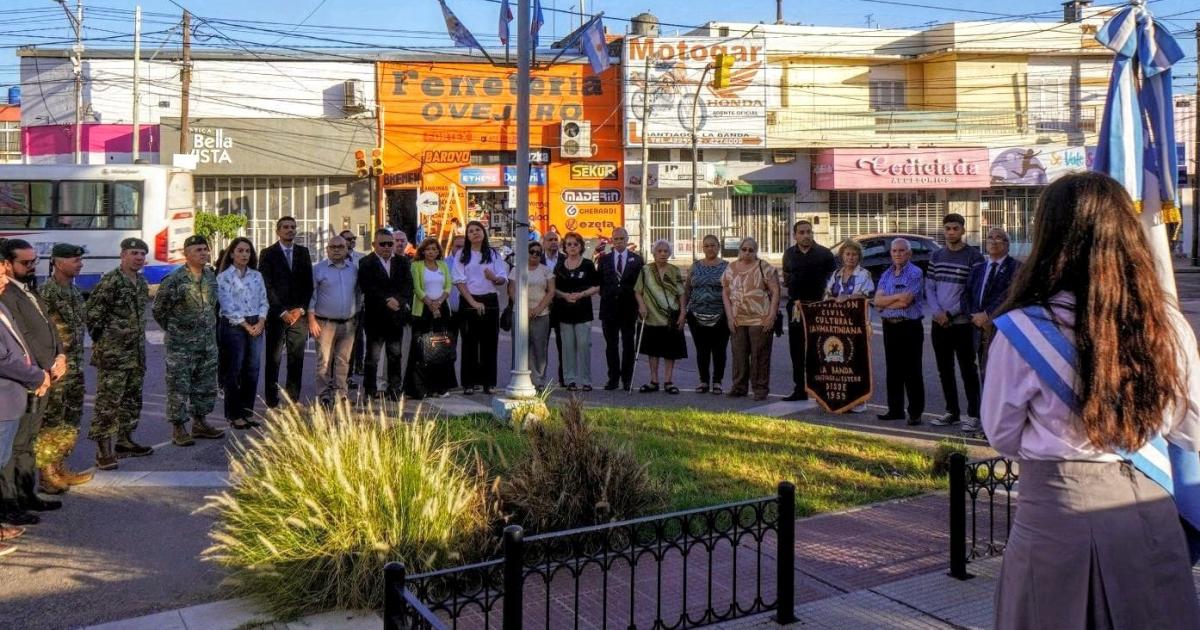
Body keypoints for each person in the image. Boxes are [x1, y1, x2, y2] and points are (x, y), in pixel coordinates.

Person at [982, 172, 1200, 629]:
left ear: (1049, 236)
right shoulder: (1169, 324)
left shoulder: (1022, 330)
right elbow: (1191, 429)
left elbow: (1002, 435)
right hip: (1149, 512)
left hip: (1056, 515)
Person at [0, 239, 65, 521]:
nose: (31, 267)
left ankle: (27, 495)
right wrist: (42, 370)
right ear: (8, 263)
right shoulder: (7, 295)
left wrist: (60, 355)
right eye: (25, 263)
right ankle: (10, 504)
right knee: (13, 446)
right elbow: (23, 337)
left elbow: (49, 327)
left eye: (34, 261)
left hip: (42, 376)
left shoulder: (27, 289)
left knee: (27, 441)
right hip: (28, 379)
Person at [0, 248, 51, 554]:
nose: (4, 276)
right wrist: (35, 376)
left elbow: (20, 345)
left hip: (13, 397)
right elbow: (3, 359)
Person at [153, 235, 225, 447]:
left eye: (205, 249)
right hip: (181, 345)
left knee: (205, 385)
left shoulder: (210, 277)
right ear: (186, 254)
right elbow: (158, 310)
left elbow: (214, 306)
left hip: (207, 344)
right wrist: (177, 330)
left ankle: (200, 422)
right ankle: (178, 427)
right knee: (179, 386)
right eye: (198, 250)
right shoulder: (174, 280)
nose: (203, 253)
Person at [86, 238, 152, 469]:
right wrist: (107, 341)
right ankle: (103, 450)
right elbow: (93, 316)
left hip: (136, 354)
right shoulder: (111, 282)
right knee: (108, 403)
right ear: (122, 255)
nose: (139, 258)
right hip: (114, 354)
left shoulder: (141, 283)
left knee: (132, 400)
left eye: (142, 254)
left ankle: (124, 441)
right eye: (134, 253)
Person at [36, 243, 93, 494]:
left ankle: (60, 466)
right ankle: (47, 474)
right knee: (52, 420)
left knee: (70, 420)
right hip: (56, 369)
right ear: (59, 263)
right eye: (74, 260)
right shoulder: (47, 293)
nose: (80, 264)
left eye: (80, 260)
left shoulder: (74, 291)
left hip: (75, 367)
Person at [925, 213, 985, 429]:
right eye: (948, 228)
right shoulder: (936, 256)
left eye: (955, 228)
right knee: (944, 369)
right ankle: (951, 412)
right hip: (939, 324)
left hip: (962, 325)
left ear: (963, 230)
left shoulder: (974, 257)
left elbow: (971, 292)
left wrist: (950, 313)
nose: (951, 232)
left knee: (967, 369)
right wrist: (937, 312)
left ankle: (974, 415)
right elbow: (929, 287)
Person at [259, 216, 314, 408]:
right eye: (285, 227)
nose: (289, 230)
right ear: (278, 230)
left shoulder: (303, 253)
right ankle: (271, 400)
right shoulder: (267, 253)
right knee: (273, 360)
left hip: (298, 316)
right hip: (276, 316)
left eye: (292, 227)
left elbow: (308, 284)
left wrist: (300, 309)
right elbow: (266, 285)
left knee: (296, 358)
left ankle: (293, 398)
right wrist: (281, 311)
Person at [781, 220, 836, 402]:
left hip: (818, 307)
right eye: (802, 232)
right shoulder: (789, 254)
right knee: (796, 349)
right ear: (795, 235)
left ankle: (818, 388)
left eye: (809, 232)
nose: (806, 235)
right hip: (796, 307)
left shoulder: (824, 254)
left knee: (818, 348)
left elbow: (832, 281)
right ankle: (799, 388)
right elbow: (787, 278)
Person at [962, 227, 1020, 399]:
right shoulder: (978, 268)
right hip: (979, 330)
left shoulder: (1016, 268)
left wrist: (988, 315)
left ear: (1007, 245)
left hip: (1002, 330)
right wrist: (975, 316)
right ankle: (987, 418)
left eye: (999, 238)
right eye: (990, 238)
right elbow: (966, 295)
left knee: (1004, 377)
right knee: (984, 374)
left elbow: (1010, 295)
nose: (994, 241)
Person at [216, 237, 267, 430]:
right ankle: (234, 414)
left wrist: (261, 320)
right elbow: (227, 305)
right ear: (231, 254)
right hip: (234, 325)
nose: (244, 254)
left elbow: (264, 299)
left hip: (256, 322)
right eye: (240, 251)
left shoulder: (256, 276)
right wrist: (246, 325)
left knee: (252, 369)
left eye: (247, 251)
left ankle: (247, 412)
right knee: (234, 370)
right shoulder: (224, 277)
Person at [721, 237, 780, 401]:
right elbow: (725, 292)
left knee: (759, 356)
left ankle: (760, 390)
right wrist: (729, 316)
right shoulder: (730, 268)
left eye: (751, 250)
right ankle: (739, 387)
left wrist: (772, 315)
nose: (747, 253)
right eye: (744, 249)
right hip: (737, 319)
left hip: (760, 319)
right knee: (739, 355)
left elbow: (775, 291)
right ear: (739, 250)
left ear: (756, 251)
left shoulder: (765, 267)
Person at [873, 238, 925, 425]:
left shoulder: (915, 273)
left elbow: (906, 301)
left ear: (909, 253)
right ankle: (895, 410)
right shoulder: (886, 274)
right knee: (893, 370)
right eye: (894, 251)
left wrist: (889, 300)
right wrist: (895, 298)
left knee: (912, 371)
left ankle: (915, 413)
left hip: (909, 326)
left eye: (901, 251)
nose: (897, 254)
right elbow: (877, 302)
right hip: (890, 326)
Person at [452, 220, 507, 395]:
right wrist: (473, 302)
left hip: (490, 300)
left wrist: (494, 278)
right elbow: (459, 281)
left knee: (489, 343)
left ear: (483, 232)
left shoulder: (493, 254)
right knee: (469, 342)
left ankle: (488, 382)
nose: (475, 233)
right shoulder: (462, 254)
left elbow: (502, 278)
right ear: (467, 236)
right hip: (469, 300)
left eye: (478, 230)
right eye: (471, 231)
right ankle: (469, 383)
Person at [358, 229, 413, 401]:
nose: (388, 247)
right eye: (383, 244)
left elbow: (408, 286)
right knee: (372, 357)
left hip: (396, 316)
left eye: (391, 243)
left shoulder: (403, 262)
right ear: (375, 244)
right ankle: (370, 390)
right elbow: (367, 286)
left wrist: (399, 301)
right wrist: (385, 300)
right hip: (375, 317)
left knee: (395, 355)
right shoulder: (366, 262)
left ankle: (394, 389)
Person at [824, 239, 876, 413]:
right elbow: (827, 295)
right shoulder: (835, 274)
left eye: (854, 254)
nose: (851, 257)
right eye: (848, 254)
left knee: (857, 362)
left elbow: (868, 295)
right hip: (837, 326)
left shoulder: (865, 275)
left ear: (859, 257)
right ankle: (841, 397)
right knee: (840, 361)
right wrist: (831, 299)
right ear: (842, 256)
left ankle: (858, 400)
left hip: (857, 326)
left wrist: (849, 298)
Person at [307, 235, 359, 406]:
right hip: (324, 323)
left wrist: (356, 313)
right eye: (333, 247)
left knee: (343, 361)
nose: (337, 250)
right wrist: (312, 320)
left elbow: (358, 294)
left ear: (346, 249)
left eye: (340, 247)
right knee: (324, 361)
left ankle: (341, 394)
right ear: (327, 249)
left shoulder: (353, 269)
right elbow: (311, 296)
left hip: (348, 323)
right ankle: (323, 395)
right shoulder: (318, 269)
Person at [404, 238, 457, 399]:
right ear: (422, 251)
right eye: (428, 249)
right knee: (420, 350)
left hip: (442, 311)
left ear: (438, 251)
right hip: (423, 312)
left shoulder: (443, 265)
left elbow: (448, 285)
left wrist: (439, 303)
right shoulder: (416, 266)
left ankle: (440, 387)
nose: (431, 252)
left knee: (440, 350)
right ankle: (419, 389)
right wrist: (430, 304)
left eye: (434, 249)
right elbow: (417, 288)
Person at [635, 240, 687, 394]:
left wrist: (683, 312)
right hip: (651, 316)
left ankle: (668, 381)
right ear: (654, 253)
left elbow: (681, 293)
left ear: (669, 253)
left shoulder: (674, 270)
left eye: (666, 251)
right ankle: (654, 381)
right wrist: (641, 306)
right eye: (660, 251)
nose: (663, 254)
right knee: (653, 351)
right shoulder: (645, 270)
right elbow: (637, 291)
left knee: (670, 351)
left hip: (671, 317)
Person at [598, 227, 643, 391]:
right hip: (609, 309)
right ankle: (613, 379)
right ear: (612, 240)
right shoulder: (604, 260)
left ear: (627, 239)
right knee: (611, 346)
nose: (618, 242)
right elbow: (601, 284)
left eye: (622, 239)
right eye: (615, 239)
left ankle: (627, 379)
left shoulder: (637, 260)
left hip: (629, 309)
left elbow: (640, 285)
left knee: (628, 345)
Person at [553, 232, 599, 391]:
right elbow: (554, 289)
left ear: (581, 246)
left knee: (584, 346)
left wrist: (582, 294)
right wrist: (564, 295)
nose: (572, 247)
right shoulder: (559, 265)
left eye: (575, 244)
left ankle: (586, 381)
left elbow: (596, 286)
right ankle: (570, 380)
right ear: (565, 247)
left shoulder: (587, 264)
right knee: (567, 348)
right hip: (565, 312)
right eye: (569, 244)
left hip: (583, 312)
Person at [684, 235, 730, 394]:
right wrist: (683, 311)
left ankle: (717, 381)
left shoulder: (727, 267)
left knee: (719, 350)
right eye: (707, 246)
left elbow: (732, 291)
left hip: (721, 315)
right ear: (702, 248)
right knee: (702, 350)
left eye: (713, 245)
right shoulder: (695, 266)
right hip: (696, 315)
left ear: (718, 247)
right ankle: (703, 381)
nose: (710, 248)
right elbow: (687, 290)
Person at [513, 241, 555, 388]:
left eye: (538, 253)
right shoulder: (517, 269)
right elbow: (511, 290)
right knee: (521, 346)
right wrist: (524, 308)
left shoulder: (545, 270)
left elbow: (551, 291)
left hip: (541, 313)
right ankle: (521, 378)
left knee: (539, 348)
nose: (535, 255)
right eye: (532, 251)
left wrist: (538, 308)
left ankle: (538, 380)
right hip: (520, 313)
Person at [541, 230, 567, 386]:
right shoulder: (537, 258)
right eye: (550, 239)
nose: (553, 242)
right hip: (542, 307)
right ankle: (539, 379)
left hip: (561, 308)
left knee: (563, 345)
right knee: (540, 346)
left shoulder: (565, 260)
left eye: (555, 239)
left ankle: (564, 379)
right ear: (544, 242)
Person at [341, 229, 366, 387]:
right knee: (342, 342)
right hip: (340, 306)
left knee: (356, 339)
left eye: (353, 238)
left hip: (358, 305)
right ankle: (340, 376)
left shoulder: (361, 259)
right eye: (348, 239)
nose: (351, 241)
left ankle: (352, 371)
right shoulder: (335, 257)